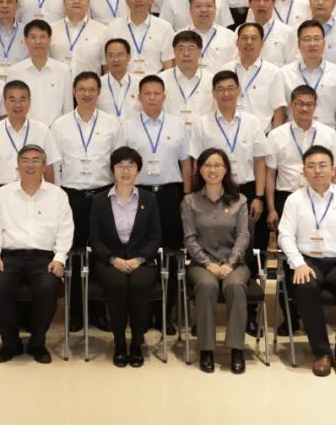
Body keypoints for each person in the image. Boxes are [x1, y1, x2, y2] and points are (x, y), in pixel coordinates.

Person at [188, 71, 271, 332]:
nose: (226, 93)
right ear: (213, 93)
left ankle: (249, 317)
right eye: (220, 89)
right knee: (206, 245)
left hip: (245, 190)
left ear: (238, 91)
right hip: (210, 188)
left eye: (230, 88)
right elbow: (195, 162)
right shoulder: (202, 124)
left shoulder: (252, 122)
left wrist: (258, 196)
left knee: (247, 252)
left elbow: (260, 161)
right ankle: (201, 318)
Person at [277, 145, 336, 378]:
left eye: (322, 165)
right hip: (308, 261)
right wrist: (298, 263)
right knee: (305, 285)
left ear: (333, 170)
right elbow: (285, 236)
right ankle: (321, 353)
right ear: (304, 171)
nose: (317, 170)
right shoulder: (294, 200)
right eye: (311, 166)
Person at [0, 144, 75, 364]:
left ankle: (37, 343)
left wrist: (59, 259)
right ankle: (10, 344)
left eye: (36, 160)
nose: (30, 165)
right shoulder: (2, 194)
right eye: (25, 160)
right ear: (17, 166)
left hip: (44, 258)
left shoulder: (58, 195)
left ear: (44, 166)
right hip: (10, 257)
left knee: (48, 286)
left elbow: (65, 230)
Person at [115, 75, 192, 333]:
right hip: (139, 194)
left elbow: (186, 163)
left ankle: (165, 315)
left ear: (164, 96)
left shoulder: (178, 125)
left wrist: (187, 194)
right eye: (146, 93)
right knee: (141, 253)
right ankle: (143, 314)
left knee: (170, 252)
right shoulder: (128, 127)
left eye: (156, 93)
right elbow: (120, 165)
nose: (151, 98)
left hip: (170, 194)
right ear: (139, 97)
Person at [50, 73, 121, 328]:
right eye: (82, 89)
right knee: (72, 251)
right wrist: (57, 195)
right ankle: (75, 310)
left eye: (92, 89)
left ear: (99, 93)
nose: (87, 94)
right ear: (74, 92)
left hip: (103, 194)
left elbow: (117, 162)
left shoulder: (112, 124)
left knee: (102, 252)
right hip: (72, 195)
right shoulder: (60, 125)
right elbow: (55, 163)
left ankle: (99, 310)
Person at [89, 146, 162, 367]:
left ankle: (136, 343)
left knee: (139, 285)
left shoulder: (149, 199)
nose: (125, 171)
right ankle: (119, 343)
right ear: (112, 170)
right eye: (120, 166)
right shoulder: (100, 201)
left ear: (138, 171)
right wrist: (113, 259)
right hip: (109, 261)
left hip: (142, 261)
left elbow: (155, 237)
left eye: (131, 166)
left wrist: (139, 259)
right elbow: (95, 239)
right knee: (118, 284)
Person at [183, 148, 251, 374]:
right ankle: (206, 349)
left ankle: (236, 349)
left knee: (235, 286)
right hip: (202, 264)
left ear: (226, 170)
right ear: (200, 170)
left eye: (217, 165)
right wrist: (208, 263)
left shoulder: (240, 200)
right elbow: (190, 239)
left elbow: (243, 236)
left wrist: (230, 263)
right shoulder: (190, 201)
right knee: (206, 285)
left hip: (234, 263)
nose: (212, 170)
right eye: (207, 165)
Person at [264, 86, 336, 237]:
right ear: (291, 105)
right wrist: (271, 209)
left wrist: (335, 204)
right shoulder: (276, 135)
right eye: (300, 103)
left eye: (309, 104)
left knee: (318, 241)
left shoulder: (329, 134)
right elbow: (270, 174)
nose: (305, 108)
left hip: (320, 197)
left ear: (315, 106)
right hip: (286, 197)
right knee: (287, 242)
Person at [0, 80, 61, 212]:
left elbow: (49, 168)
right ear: (5, 103)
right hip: (0, 192)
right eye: (12, 99)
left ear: (29, 102)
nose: (17, 105)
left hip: (35, 192)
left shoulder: (42, 130)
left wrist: (51, 198)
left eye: (22, 99)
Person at [279, 20, 336, 138]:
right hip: (292, 137)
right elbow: (280, 112)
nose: (312, 43)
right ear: (298, 44)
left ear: (324, 43)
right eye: (307, 39)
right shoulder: (284, 73)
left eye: (316, 38)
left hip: (327, 138)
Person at [102, 0, 174, 77]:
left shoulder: (165, 28)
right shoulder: (114, 27)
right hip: (123, 83)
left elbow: (168, 65)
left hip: (153, 83)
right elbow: (107, 65)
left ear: (151, 0)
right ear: (127, 1)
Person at [10, 20, 71, 126]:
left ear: (50, 40)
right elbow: (11, 108)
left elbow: (68, 110)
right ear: (26, 41)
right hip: (26, 131)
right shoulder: (15, 72)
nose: (38, 42)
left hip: (55, 132)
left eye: (42, 37)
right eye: (33, 37)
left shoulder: (63, 71)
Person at [163, 0, 238, 73]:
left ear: (215, 9)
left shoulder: (230, 37)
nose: (204, 10)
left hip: (220, 81)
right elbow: (169, 67)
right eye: (198, 6)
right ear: (190, 9)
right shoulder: (176, 37)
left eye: (208, 6)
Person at [230, 22, 287, 132]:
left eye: (254, 38)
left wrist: (274, 137)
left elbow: (279, 109)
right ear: (237, 42)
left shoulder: (273, 72)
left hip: (262, 135)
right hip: (230, 134)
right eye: (244, 38)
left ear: (262, 44)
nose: (249, 42)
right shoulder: (226, 69)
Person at [158, 31, 214, 130]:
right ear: (174, 52)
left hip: (203, 135)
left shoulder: (212, 80)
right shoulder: (160, 81)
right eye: (181, 48)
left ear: (200, 51)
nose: (186, 53)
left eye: (191, 48)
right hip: (169, 134)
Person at [49, 0, 107, 75]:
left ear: (88, 1)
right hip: (58, 83)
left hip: (90, 84)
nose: (76, 1)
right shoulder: (51, 30)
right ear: (63, 1)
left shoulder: (102, 31)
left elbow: (107, 69)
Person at [245, 0, 297, 66]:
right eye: (257, 0)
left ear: (274, 2)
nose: (262, 4)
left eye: (266, 0)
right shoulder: (241, 31)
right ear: (250, 3)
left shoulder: (287, 31)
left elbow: (293, 64)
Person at [99, 38, 141, 118]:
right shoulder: (98, 85)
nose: (115, 59)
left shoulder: (140, 84)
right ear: (106, 59)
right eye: (111, 55)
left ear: (129, 57)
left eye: (120, 55)